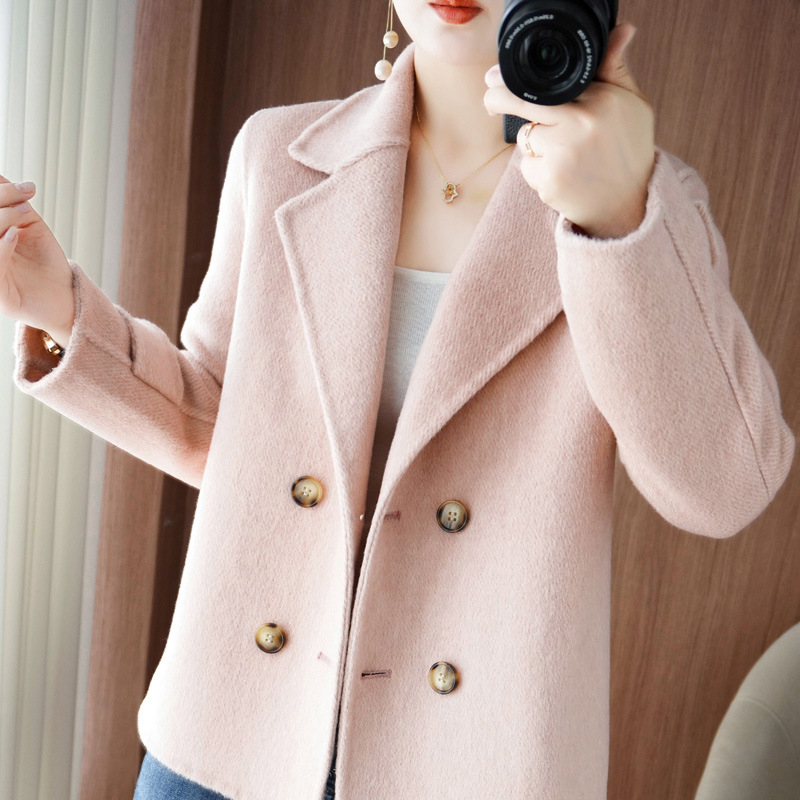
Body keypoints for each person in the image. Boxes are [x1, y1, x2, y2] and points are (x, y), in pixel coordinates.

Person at [2, 0, 795, 798]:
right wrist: (58, 304)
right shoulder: (278, 152)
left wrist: (617, 222)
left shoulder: (650, 205)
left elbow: (722, 490)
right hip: (227, 739)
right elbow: (222, 432)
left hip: (474, 766)